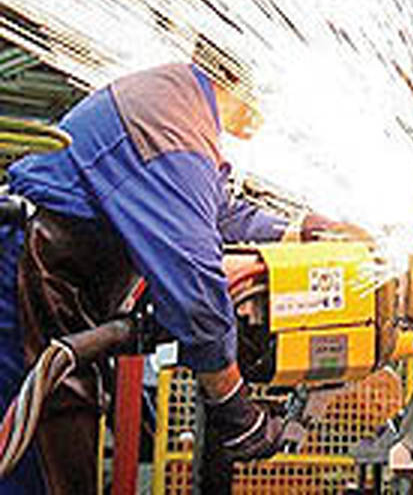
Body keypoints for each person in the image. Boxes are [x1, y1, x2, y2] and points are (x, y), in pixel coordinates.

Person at [0, 51, 344, 493]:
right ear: (245, 81)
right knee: (40, 463)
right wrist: (234, 407)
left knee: (61, 447)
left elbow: (219, 214)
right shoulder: (172, 126)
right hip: (27, 278)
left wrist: (303, 230)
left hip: (54, 284)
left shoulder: (180, 105)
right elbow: (195, 288)